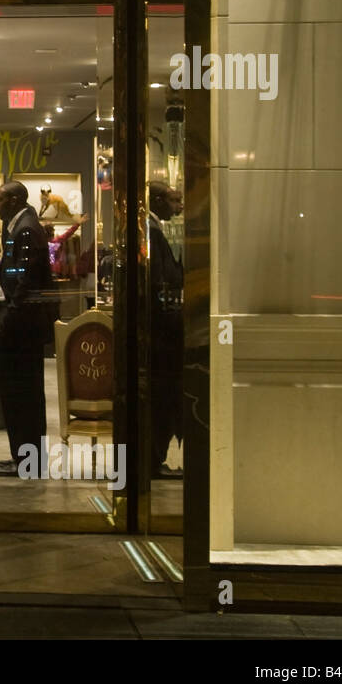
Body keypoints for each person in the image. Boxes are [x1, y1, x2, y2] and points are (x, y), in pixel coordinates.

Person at [0, 180, 52, 477]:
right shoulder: (18, 225)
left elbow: (24, 283)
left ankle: (28, 460)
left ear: (14, 200)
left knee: (22, 395)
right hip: (18, 323)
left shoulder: (26, 227)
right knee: (18, 396)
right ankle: (24, 457)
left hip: (20, 329)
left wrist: (8, 318)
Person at [148, 182, 185, 478]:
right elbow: (161, 279)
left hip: (161, 330)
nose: (179, 207)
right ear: (159, 200)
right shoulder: (152, 230)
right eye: (174, 200)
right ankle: (153, 458)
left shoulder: (154, 228)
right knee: (163, 397)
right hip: (161, 333)